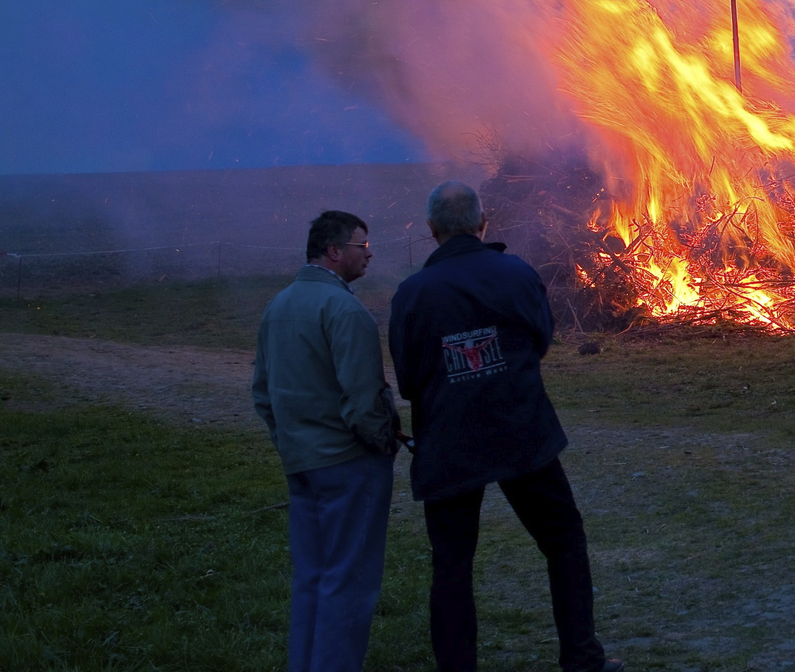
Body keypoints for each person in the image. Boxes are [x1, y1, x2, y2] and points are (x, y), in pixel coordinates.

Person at [390, 182, 619, 672]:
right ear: (482, 224)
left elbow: (408, 378)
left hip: (449, 442)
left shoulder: (412, 294)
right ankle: (582, 659)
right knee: (563, 541)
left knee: (451, 566)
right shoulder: (515, 273)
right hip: (520, 432)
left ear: (432, 231)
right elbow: (540, 340)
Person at [253, 210, 400, 672]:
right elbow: (363, 400)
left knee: (312, 579)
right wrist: (383, 443)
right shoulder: (346, 311)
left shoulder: (278, 306)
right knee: (349, 581)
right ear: (335, 251)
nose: (369, 253)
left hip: (302, 465)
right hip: (349, 465)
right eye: (362, 245)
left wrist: (292, 444)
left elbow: (263, 393)